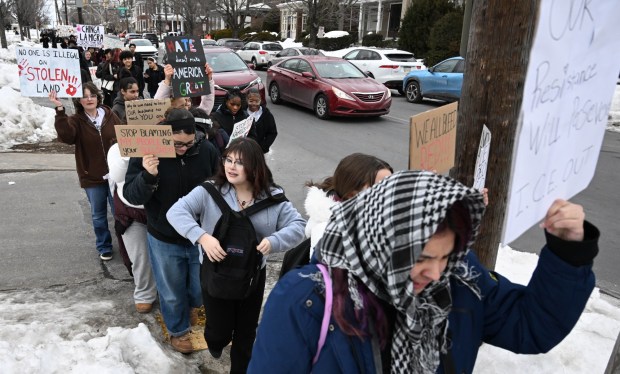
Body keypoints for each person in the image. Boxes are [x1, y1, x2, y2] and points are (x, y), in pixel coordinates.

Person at [249, 170, 599, 373]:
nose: (434, 272)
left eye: (446, 256)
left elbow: (530, 326)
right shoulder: (306, 299)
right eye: (421, 257)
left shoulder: (461, 282)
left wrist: (568, 252)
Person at [167, 137, 306, 372]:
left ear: (255, 166)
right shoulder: (210, 191)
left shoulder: (273, 198)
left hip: (252, 275)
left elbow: (299, 225)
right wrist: (202, 237)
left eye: (239, 162)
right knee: (219, 330)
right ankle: (216, 341)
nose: (230, 166)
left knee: (246, 331)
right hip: (215, 271)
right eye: (228, 160)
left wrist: (274, 241)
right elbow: (176, 211)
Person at [123, 108, 220, 354]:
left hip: (199, 236)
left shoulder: (207, 150)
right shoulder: (148, 152)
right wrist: (148, 175)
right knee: (171, 289)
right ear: (165, 135)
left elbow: (221, 186)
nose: (183, 148)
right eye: (177, 143)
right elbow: (130, 195)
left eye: (189, 143)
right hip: (163, 236)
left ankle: (193, 307)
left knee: (199, 286)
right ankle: (178, 330)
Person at [48, 82, 122, 261]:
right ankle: (104, 246)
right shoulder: (75, 120)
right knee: (98, 215)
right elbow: (66, 137)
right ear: (79, 100)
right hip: (92, 176)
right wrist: (59, 109)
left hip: (115, 175)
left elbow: (124, 136)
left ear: (98, 97)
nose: (89, 99)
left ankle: (126, 245)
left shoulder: (111, 116)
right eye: (85, 96)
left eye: (93, 95)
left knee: (120, 214)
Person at [304, 153, 392, 258]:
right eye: (378, 187)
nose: (388, 192)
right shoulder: (327, 231)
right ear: (351, 193)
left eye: (390, 184)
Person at [107, 142, 157, 314]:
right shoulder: (116, 149)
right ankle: (144, 294)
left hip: (159, 210)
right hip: (131, 212)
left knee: (166, 257)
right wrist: (129, 154)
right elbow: (117, 175)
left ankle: (168, 293)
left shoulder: (164, 145)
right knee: (140, 255)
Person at [246, 89, 277, 153]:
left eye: (256, 101)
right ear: (246, 100)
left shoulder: (267, 115)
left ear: (260, 101)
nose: (254, 104)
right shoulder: (242, 113)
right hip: (244, 150)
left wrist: (263, 147)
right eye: (251, 101)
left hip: (260, 151)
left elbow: (272, 133)